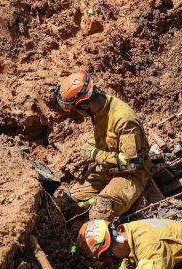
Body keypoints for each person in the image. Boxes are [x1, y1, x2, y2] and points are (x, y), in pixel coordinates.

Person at [52, 70, 151, 221]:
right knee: (70, 203)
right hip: (108, 168)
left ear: (84, 106)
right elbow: (105, 139)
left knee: (100, 210)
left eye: (76, 109)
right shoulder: (98, 110)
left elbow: (133, 163)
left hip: (131, 174)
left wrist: (95, 155)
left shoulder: (123, 120)